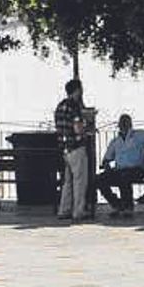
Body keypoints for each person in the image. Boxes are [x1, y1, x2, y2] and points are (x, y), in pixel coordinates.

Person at [96, 114, 144, 217]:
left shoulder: (140, 135)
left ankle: (128, 207)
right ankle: (117, 204)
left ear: (130, 124)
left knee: (124, 176)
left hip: (137, 169)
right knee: (99, 179)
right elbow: (107, 158)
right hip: (119, 169)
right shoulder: (115, 141)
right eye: (122, 124)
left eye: (125, 123)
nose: (123, 126)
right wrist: (106, 165)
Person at [54, 80, 92, 220]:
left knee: (67, 181)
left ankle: (64, 209)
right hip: (76, 147)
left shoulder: (60, 106)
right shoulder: (74, 106)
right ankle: (78, 211)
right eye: (80, 89)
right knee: (80, 181)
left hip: (64, 148)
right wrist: (86, 131)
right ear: (77, 90)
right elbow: (77, 127)